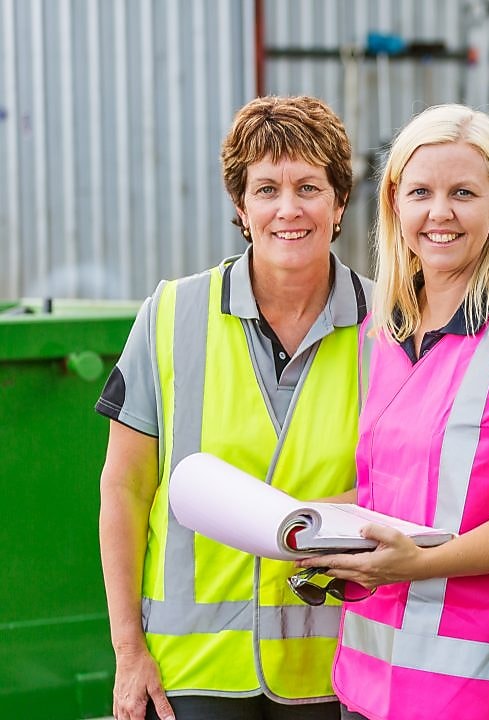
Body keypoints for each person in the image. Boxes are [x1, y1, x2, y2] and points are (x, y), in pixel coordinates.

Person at [296, 104, 489, 720]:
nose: (439, 213)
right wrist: (313, 526)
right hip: (368, 680)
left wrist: (420, 563)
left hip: (475, 688)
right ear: (396, 203)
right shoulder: (384, 332)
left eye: (463, 193)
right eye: (421, 192)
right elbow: (396, 493)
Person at [96, 95, 371, 720]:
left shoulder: (389, 327)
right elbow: (126, 489)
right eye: (266, 188)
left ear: (339, 202)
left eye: (309, 186)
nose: (288, 208)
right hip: (190, 673)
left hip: (336, 666)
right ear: (241, 208)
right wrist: (127, 649)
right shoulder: (170, 315)